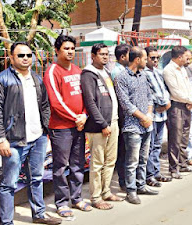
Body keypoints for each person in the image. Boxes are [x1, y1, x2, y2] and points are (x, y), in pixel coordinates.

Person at [0, 42, 61, 224]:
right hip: (13, 140)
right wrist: (1, 138)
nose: (26, 59)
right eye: (21, 55)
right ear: (11, 57)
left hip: (37, 138)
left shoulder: (37, 79)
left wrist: (45, 130)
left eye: (29, 55)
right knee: (9, 184)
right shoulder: (2, 80)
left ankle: (39, 214)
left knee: (36, 178)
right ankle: (6, 222)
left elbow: (45, 105)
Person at [43, 35, 92, 218]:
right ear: (57, 50)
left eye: (72, 48)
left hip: (79, 125)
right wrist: (75, 118)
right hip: (61, 128)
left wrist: (84, 116)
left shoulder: (78, 70)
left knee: (78, 164)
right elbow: (55, 102)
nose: (70, 51)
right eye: (66, 48)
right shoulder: (52, 71)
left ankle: (77, 198)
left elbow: (87, 95)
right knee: (61, 166)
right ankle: (62, 202)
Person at [81, 43, 124, 210]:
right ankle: (96, 196)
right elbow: (90, 102)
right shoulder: (88, 74)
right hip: (99, 126)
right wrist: (102, 123)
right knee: (97, 163)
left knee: (110, 160)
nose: (105, 57)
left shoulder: (105, 72)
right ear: (93, 55)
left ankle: (106, 191)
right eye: (101, 54)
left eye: (107, 54)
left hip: (113, 122)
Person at [115, 46, 158, 205]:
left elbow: (149, 97)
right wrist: (142, 117)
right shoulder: (121, 77)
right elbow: (125, 103)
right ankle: (131, 190)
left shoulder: (143, 76)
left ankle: (141, 185)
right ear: (137, 59)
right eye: (145, 58)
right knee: (132, 160)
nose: (147, 61)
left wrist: (149, 115)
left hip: (146, 124)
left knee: (143, 158)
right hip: (132, 126)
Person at [164, 46, 192, 179]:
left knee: (184, 136)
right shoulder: (169, 70)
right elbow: (175, 91)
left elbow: (189, 87)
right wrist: (189, 100)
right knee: (175, 138)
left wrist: (191, 100)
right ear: (179, 57)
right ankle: (173, 167)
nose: (187, 59)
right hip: (176, 106)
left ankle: (183, 163)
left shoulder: (183, 69)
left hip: (187, 105)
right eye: (185, 57)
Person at [142, 46, 173, 187]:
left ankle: (156, 172)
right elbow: (151, 94)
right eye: (152, 58)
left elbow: (165, 91)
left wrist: (167, 103)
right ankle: (149, 175)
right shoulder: (144, 74)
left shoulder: (158, 72)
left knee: (157, 145)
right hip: (152, 114)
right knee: (150, 146)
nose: (155, 60)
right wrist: (163, 103)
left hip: (162, 114)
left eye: (157, 58)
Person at [112, 44, 131, 191]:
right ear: (123, 57)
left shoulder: (125, 70)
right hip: (122, 115)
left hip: (126, 114)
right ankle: (123, 181)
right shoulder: (117, 72)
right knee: (123, 150)